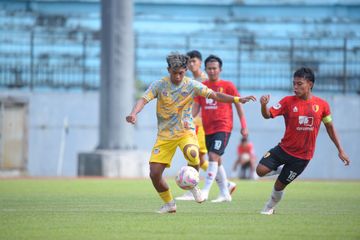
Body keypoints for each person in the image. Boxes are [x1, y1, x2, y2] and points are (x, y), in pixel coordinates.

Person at [126, 52, 256, 213]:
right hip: (165, 136)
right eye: (175, 73)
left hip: (186, 131)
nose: (179, 76)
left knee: (193, 153)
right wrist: (133, 113)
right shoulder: (159, 85)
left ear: (185, 70)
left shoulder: (192, 85)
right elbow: (143, 99)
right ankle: (169, 204)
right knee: (154, 173)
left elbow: (215, 95)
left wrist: (237, 99)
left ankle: (193, 186)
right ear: (168, 70)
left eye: (181, 72)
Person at [257, 67, 350, 215]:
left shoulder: (322, 105)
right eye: (294, 83)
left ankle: (268, 208)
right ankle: (283, 170)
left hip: (302, 157)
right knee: (260, 171)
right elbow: (268, 115)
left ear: (310, 84)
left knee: (279, 185)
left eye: (299, 84)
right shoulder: (287, 102)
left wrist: (341, 150)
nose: (295, 87)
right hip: (283, 149)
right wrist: (263, 105)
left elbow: (330, 128)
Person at [176, 50, 236, 201]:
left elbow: (213, 101)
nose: (191, 64)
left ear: (200, 63)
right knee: (204, 159)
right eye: (188, 62)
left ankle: (195, 190)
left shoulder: (204, 80)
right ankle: (225, 185)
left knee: (199, 157)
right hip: (196, 125)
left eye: (193, 61)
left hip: (203, 126)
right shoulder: (194, 79)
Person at [193, 54, 250, 203]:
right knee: (217, 161)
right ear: (205, 69)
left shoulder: (228, 85)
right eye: (209, 68)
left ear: (220, 69)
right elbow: (195, 109)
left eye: (215, 68)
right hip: (208, 129)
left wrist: (244, 126)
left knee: (212, 156)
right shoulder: (202, 87)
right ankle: (225, 193)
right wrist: (188, 122)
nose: (212, 71)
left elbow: (238, 105)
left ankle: (205, 191)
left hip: (223, 126)